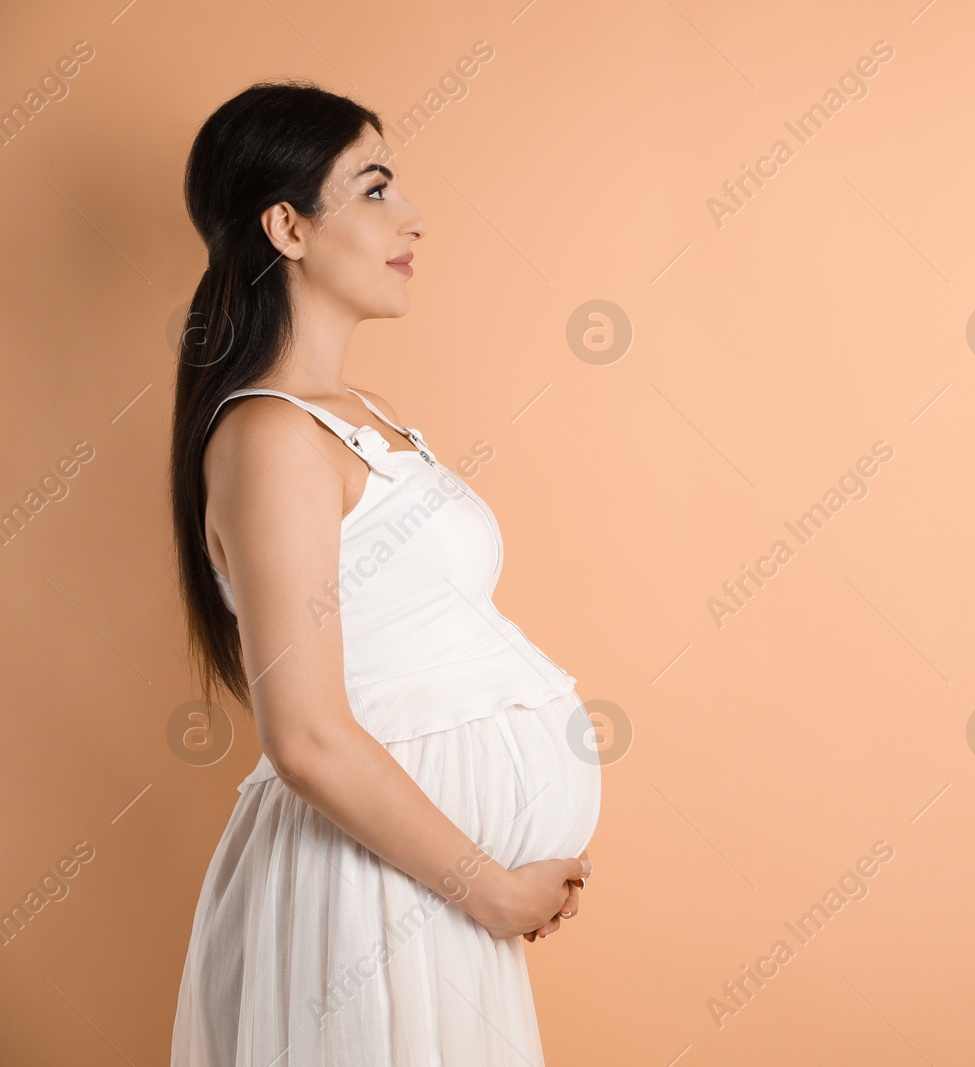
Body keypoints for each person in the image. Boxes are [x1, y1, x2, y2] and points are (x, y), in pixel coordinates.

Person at [167, 80, 600, 1065]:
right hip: (370, 900)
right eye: (372, 189)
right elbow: (308, 737)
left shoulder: (360, 413)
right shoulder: (271, 436)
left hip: (423, 889)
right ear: (288, 225)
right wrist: (493, 889)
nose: (412, 219)